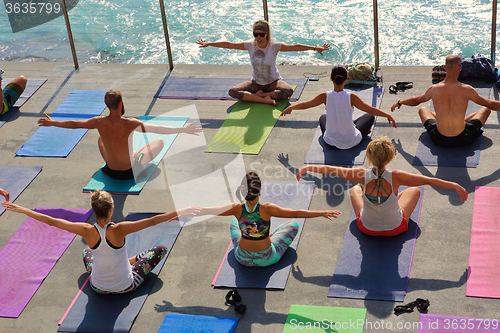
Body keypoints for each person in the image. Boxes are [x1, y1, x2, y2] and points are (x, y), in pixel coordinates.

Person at [2, 190, 199, 294]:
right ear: (111, 210)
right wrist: (180, 211)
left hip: (97, 287)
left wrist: (22, 209)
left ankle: (127, 261)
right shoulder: (120, 228)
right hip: (125, 286)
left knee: (87, 252)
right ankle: (129, 262)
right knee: (160, 249)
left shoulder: (86, 230)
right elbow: (153, 221)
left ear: (94, 209)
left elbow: (52, 221)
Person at [297, 137, 468, 236]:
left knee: (355, 189)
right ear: (390, 157)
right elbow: (428, 180)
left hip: (366, 228)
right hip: (395, 229)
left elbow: (331, 170)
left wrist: (307, 168)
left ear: (369, 157)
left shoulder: (360, 175)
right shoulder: (397, 176)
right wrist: (454, 185)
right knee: (414, 190)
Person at [37, 89, 202, 180]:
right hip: (130, 172)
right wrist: (182, 129)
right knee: (158, 141)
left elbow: (73, 124)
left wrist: (53, 123)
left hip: (109, 170)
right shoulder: (129, 123)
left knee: (101, 138)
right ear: (121, 103)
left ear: (107, 105)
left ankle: (129, 157)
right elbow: (157, 129)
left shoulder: (99, 122)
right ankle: (136, 159)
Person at [196, 172, 340, 267]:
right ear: (260, 189)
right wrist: (322, 212)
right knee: (293, 224)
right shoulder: (267, 208)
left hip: (242, 258)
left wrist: (185, 212)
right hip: (266, 259)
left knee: (234, 221)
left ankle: (256, 236)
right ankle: (268, 236)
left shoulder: (236, 208)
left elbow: (207, 211)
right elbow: (295, 213)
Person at [196, 20, 330, 106]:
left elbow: (294, 46)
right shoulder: (249, 45)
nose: (258, 38)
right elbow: (230, 44)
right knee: (232, 91)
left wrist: (315, 48)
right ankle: (262, 98)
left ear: (266, 34)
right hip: (256, 83)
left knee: (288, 91)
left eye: (261, 34)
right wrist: (209, 44)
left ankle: (259, 96)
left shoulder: (274, 46)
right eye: (255, 34)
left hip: (273, 82)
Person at [391, 54, 500, 147]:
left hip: (439, 139)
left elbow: (415, 101)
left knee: (423, 109)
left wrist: (400, 101)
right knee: (486, 109)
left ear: (444, 67)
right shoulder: (467, 90)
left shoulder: (434, 89)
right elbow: (490, 104)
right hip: (463, 139)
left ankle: (448, 121)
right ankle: (461, 121)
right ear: (460, 67)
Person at [281, 66, 397, 149]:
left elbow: (306, 104)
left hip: (330, 141)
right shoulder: (351, 97)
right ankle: (359, 129)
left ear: (331, 79)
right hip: (351, 141)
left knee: (323, 117)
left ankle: (347, 127)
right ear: (346, 80)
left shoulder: (324, 96)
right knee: (369, 117)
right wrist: (387, 115)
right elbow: (369, 110)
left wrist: (291, 108)